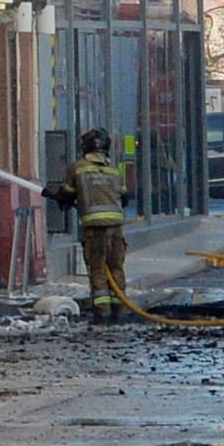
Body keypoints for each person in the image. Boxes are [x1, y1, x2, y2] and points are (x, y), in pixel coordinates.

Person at [74, 130, 132, 319]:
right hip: (116, 229)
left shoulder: (79, 169)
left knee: (98, 270)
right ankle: (119, 311)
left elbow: (66, 193)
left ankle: (102, 314)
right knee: (116, 268)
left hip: (94, 231)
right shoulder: (114, 170)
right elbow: (125, 198)